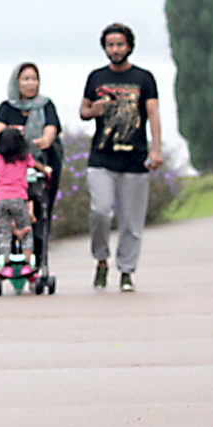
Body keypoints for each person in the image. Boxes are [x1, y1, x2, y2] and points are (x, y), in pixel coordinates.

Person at [80, 22, 162, 292]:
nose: (115, 49)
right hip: (102, 158)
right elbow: (83, 111)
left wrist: (156, 149)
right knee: (100, 211)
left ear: (129, 46)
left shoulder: (144, 78)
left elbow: (153, 114)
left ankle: (126, 271)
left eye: (119, 44)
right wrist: (96, 109)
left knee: (131, 221)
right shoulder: (95, 78)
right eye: (110, 45)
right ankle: (101, 260)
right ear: (105, 47)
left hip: (135, 159)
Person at [0, 61, 60, 261]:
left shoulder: (45, 105)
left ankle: (37, 257)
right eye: (26, 79)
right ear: (17, 82)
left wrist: (44, 141)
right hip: (10, 172)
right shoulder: (6, 108)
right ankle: (6, 256)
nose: (31, 84)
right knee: (3, 216)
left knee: (39, 214)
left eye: (34, 79)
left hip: (38, 165)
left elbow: (51, 128)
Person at [0, 126, 38, 252]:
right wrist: (46, 170)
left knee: (4, 233)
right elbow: (35, 165)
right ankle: (28, 256)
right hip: (18, 198)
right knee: (25, 228)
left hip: (0, 200)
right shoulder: (24, 158)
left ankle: (5, 259)